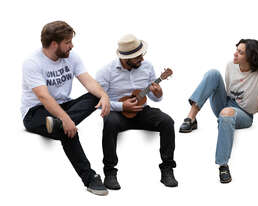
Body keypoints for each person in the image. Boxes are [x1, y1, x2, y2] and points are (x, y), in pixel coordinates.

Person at [21, 21, 111, 195]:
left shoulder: (72, 57)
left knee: (96, 94)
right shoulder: (32, 62)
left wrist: (104, 95)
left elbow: (89, 82)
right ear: (55, 44)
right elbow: (44, 97)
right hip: (35, 112)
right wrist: (66, 119)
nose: (72, 45)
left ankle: (57, 123)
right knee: (67, 130)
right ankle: (90, 178)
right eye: (68, 42)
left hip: (63, 106)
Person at [179, 39, 258, 183]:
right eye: (236, 50)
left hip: (244, 114)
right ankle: (191, 118)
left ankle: (223, 165)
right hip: (226, 103)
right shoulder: (231, 66)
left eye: (240, 52)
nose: (235, 54)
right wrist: (226, 109)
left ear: (251, 57)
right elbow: (228, 91)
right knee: (213, 73)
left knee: (227, 113)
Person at [95, 34, 177, 190]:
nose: (142, 59)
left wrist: (158, 93)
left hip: (141, 111)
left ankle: (167, 169)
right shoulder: (106, 71)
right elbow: (98, 103)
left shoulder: (147, 67)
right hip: (117, 112)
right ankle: (110, 172)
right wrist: (122, 106)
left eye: (142, 55)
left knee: (167, 121)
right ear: (126, 58)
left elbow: (155, 97)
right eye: (138, 57)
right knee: (110, 123)